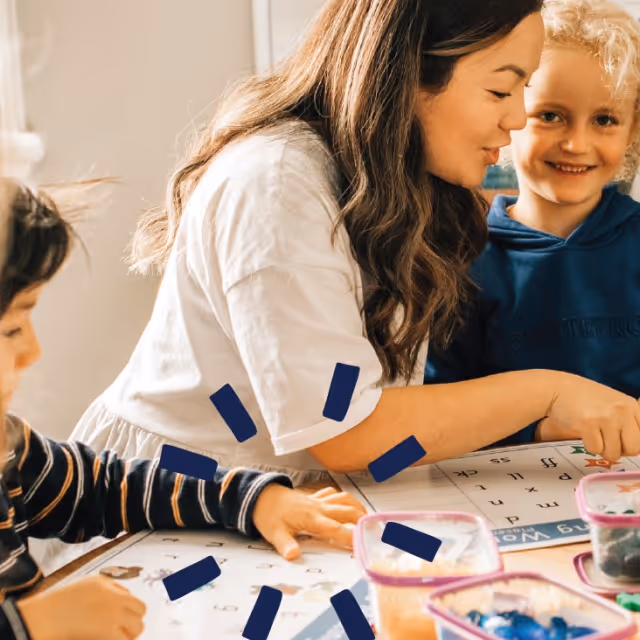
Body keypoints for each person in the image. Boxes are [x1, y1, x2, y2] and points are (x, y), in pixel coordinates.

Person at [70, 0, 640, 485]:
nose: (516, 119)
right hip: (170, 499)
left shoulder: (401, 187)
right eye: (501, 89)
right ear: (412, 71)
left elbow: (386, 416)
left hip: (288, 501)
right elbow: (345, 426)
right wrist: (549, 394)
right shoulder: (275, 183)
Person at [0, 181, 365, 640]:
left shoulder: (9, 449)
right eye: (12, 328)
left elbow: (104, 486)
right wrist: (30, 626)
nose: (33, 350)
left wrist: (249, 499)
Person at [424, 0, 640, 461]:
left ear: (632, 131)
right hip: (502, 491)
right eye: (551, 115)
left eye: (604, 120)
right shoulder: (458, 256)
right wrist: (538, 432)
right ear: (510, 112)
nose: (576, 143)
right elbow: (437, 410)